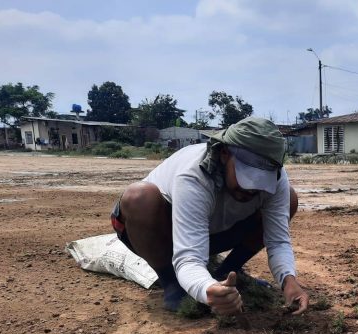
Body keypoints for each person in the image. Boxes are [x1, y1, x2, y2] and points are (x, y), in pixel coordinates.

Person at [110, 117, 309, 316]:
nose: (252, 190)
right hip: (156, 233)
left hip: (211, 233)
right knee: (139, 197)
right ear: (224, 154)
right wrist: (206, 290)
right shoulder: (194, 175)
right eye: (246, 178)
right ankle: (171, 283)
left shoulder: (277, 176)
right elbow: (189, 258)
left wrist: (288, 281)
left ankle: (226, 273)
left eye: (260, 182)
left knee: (289, 198)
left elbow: (278, 240)